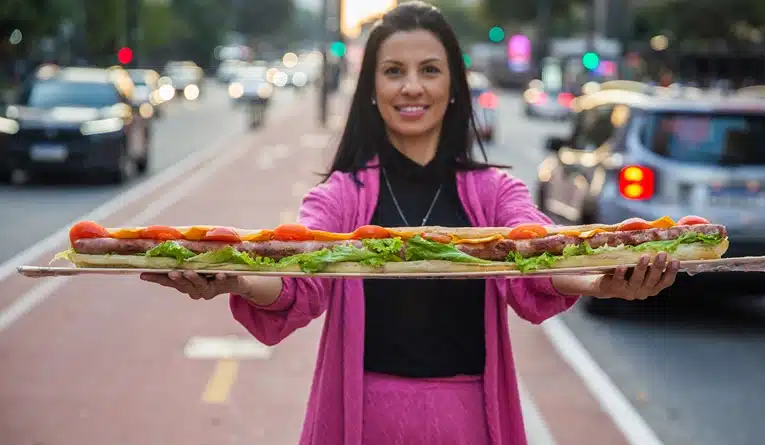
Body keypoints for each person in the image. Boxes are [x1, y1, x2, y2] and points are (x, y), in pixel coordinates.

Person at [141, 2, 680, 443]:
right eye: (394, 71)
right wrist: (232, 277)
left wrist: (600, 280)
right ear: (372, 88)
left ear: (453, 86)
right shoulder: (341, 197)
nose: (412, 88)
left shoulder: (494, 193)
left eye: (429, 70)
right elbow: (295, 277)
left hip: (471, 422)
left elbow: (537, 256)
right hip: (361, 420)